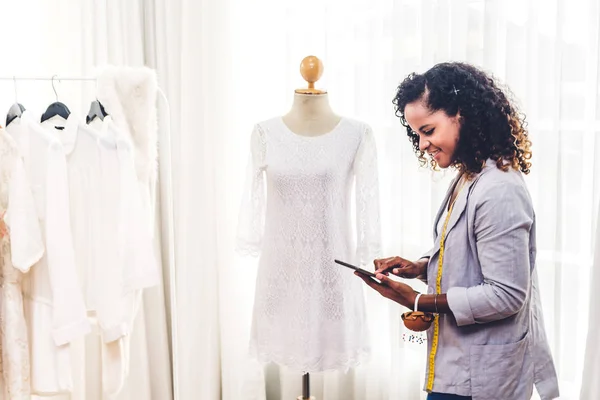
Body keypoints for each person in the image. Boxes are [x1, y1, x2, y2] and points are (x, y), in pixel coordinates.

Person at [355, 62, 560, 400]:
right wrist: (422, 267)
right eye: (417, 134)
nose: (421, 144)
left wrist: (419, 300)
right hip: (459, 368)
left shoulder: (499, 189)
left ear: (462, 116)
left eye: (428, 130)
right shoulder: (470, 176)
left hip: (483, 380)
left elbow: (506, 294)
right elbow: (473, 258)